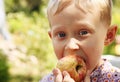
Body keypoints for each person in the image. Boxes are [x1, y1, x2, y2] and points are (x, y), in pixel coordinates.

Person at [40, 0, 120, 82]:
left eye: (83, 32)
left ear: (108, 35)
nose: (71, 45)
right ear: (52, 37)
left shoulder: (115, 79)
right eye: (61, 34)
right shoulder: (48, 80)